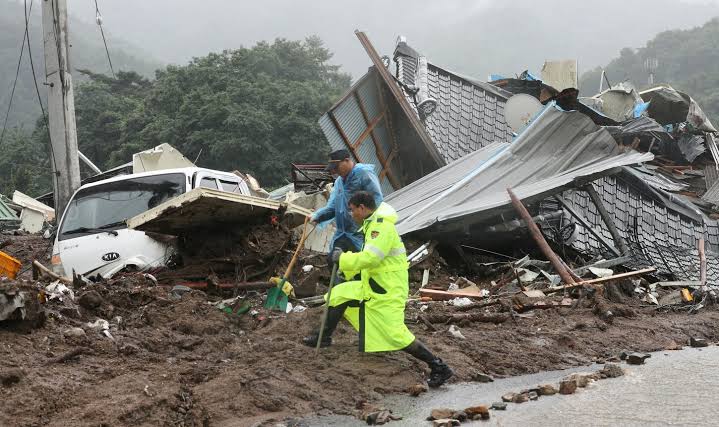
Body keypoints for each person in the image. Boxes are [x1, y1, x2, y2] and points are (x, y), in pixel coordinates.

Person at [303, 191, 454, 388]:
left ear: (362, 208)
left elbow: (371, 259)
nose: (351, 215)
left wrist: (342, 258)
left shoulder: (380, 228)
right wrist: (346, 271)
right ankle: (323, 337)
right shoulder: (372, 224)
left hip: (387, 289)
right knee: (339, 294)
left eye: (352, 210)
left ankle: (438, 366)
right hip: (374, 285)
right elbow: (370, 260)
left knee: (395, 334)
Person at [311, 149, 383, 264]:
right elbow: (333, 207)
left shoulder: (363, 173)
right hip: (343, 233)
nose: (334, 171)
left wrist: (367, 223)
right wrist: (318, 216)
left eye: (336, 167)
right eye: (332, 168)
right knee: (334, 261)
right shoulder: (339, 182)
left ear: (347, 160)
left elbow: (376, 200)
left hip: (360, 233)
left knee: (359, 266)